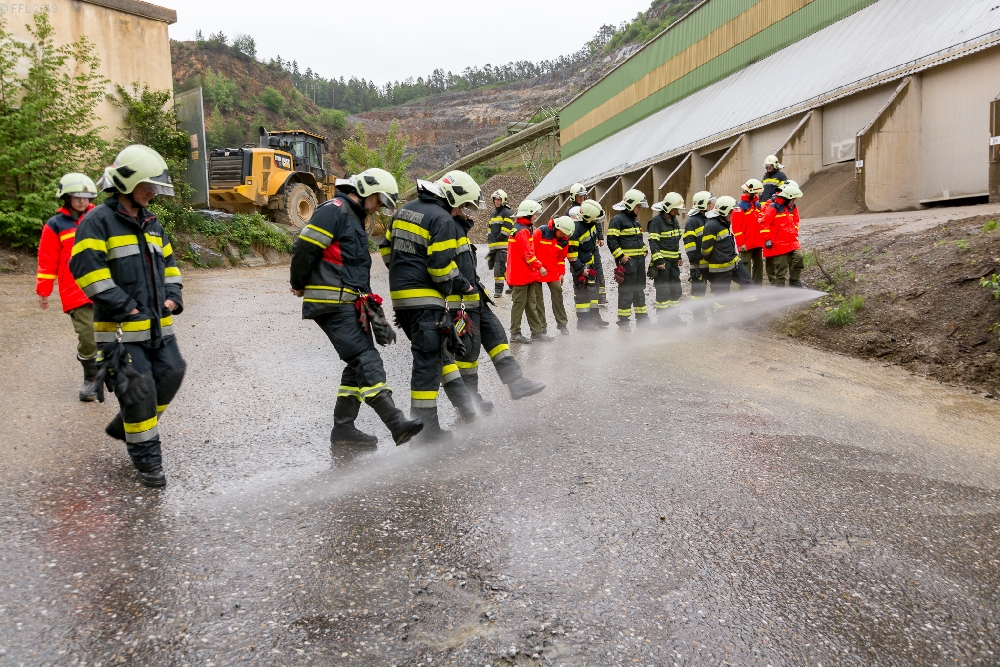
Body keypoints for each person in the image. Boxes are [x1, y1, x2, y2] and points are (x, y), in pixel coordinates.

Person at [68, 145, 186, 488]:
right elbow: (88, 271)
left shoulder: (152, 223)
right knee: (138, 391)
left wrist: (173, 297)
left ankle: (129, 425)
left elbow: (170, 266)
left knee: (173, 372)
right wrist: (126, 307)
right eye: (147, 185)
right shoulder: (97, 222)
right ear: (127, 184)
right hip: (121, 330)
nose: (152, 192)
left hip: (159, 326)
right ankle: (148, 461)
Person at [290, 168, 423, 449]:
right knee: (366, 358)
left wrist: (369, 304)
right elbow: (305, 247)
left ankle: (343, 428)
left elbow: (351, 266)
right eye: (378, 201)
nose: (378, 207)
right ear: (365, 191)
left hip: (347, 301)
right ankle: (396, 423)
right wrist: (298, 283)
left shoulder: (352, 216)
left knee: (356, 365)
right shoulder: (334, 210)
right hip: (331, 302)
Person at [380, 173, 479, 442]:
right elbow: (439, 269)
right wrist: (462, 285)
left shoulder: (403, 211)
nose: (461, 211)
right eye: (462, 205)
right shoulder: (442, 219)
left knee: (438, 355)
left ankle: (469, 408)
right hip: (426, 302)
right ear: (453, 198)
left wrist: (403, 274)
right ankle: (427, 432)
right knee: (427, 365)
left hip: (402, 301)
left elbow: (386, 249)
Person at [438, 173, 546, 413]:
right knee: (468, 352)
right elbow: (441, 264)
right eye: (465, 206)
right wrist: (463, 285)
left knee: (496, 335)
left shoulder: (455, 225)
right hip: (459, 301)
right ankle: (469, 402)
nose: (468, 211)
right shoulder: (444, 225)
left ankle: (516, 382)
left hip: (474, 297)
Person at [37, 173, 100, 401]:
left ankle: (112, 370)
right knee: (88, 335)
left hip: (104, 286)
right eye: (77, 196)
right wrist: (44, 290)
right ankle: (91, 378)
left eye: (86, 196)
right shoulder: (56, 225)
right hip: (75, 290)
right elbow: (47, 259)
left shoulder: (99, 217)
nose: (82, 201)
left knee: (112, 332)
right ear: (66, 198)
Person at [506, 200, 552, 344]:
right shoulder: (522, 231)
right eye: (535, 214)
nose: (536, 216)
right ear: (528, 214)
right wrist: (540, 267)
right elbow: (528, 254)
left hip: (525, 274)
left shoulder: (522, 228)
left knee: (531, 303)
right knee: (519, 303)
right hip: (521, 274)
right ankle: (515, 333)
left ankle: (536, 332)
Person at [608, 189, 651, 328]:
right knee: (626, 292)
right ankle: (623, 321)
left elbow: (638, 239)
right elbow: (611, 241)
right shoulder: (617, 220)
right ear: (631, 205)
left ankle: (641, 318)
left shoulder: (634, 220)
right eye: (638, 206)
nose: (640, 209)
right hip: (628, 264)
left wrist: (644, 250)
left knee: (639, 290)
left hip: (638, 262)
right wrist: (621, 257)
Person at [568, 200, 611, 330]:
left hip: (590, 265)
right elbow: (572, 255)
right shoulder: (575, 229)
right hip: (580, 268)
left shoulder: (590, 224)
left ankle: (594, 317)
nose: (597, 221)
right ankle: (583, 322)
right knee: (582, 294)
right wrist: (581, 270)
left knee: (593, 292)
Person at [700, 195, 754, 296]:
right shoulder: (712, 225)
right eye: (730, 211)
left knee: (749, 284)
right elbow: (706, 250)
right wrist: (717, 258)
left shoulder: (724, 222)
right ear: (724, 211)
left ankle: (749, 305)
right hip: (721, 268)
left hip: (734, 263)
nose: (732, 214)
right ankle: (718, 308)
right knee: (721, 295)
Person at [564, 183, 608, 306]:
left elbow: (597, 222)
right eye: (579, 196)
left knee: (597, 269)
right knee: (580, 275)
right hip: (579, 249)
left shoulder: (590, 207)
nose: (582, 198)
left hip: (592, 247)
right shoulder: (570, 212)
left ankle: (601, 296)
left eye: (583, 195)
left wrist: (600, 237)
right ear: (573, 197)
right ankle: (581, 299)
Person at [647, 192, 685, 324]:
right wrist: (658, 261)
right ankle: (663, 320)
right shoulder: (656, 222)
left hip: (673, 263)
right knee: (663, 291)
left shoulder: (674, 221)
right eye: (676, 209)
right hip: (663, 264)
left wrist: (679, 256)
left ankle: (674, 318)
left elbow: (675, 241)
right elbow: (653, 243)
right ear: (668, 208)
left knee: (675, 289)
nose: (678, 213)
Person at [532, 215, 573, 335]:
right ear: (557, 227)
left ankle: (562, 324)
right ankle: (541, 326)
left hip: (552, 270)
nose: (563, 235)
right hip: (536, 269)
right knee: (537, 299)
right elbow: (530, 251)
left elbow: (561, 258)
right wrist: (536, 267)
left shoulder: (564, 239)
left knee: (558, 294)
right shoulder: (541, 232)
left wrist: (561, 273)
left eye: (565, 234)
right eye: (562, 233)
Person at [761, 183, 807, 287]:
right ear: (787, 198)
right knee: (781, 268)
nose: (793, 202)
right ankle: (780, 290)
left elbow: (796, 220)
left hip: (791, 241)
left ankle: (794, 281)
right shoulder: (774, 207)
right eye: (793, 199)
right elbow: (764, 223)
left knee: (799, 257)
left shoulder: (793, 207)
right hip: (778, 243)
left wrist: (794, 232)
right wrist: (767, 239)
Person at [732, 179, 765, 286]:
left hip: (757, 242)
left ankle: (757, 289)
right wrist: (741, 243)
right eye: (755, 193)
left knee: (758, 266)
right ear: (750, 192)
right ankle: (746, 290)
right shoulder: (740, 207)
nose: (757, 195)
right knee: (745, 268)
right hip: (746, 244)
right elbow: (736, 227)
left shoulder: (756, 205)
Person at [683, 191, 713, 301]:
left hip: (711, 262)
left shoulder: (710, 219)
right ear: (702, 204)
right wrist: (694, 260)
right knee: (698, 292)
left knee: (716, 289)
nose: (711, 205)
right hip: (698, 264)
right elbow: (689, 243)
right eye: (708, 203)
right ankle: (698, 312)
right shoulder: (692, 222)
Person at [486, 189, 514, 298]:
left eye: (499, 199)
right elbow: (489, 229)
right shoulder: (493, 214)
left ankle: (498, 290)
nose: (497, 201)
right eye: (495, 199)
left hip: (502, 246)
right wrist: (490, 239)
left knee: (498, 268)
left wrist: (496, 238)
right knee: (501, 267)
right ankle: (512, 285)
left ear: (503, 200)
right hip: (494, 247)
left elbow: (506, 230)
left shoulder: (507, 213)